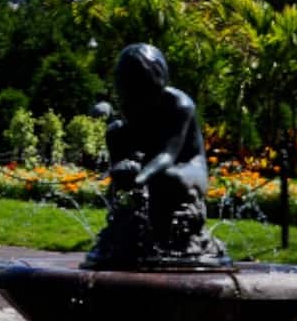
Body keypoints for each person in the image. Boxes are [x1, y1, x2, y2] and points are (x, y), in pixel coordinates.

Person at [83, 43, 229, 270]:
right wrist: (121, 171)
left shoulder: (179, 104)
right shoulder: (130, 107)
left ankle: (175, 241)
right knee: (116, 132)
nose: (130, 97)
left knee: (168, 178)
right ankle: (122, 230)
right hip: (150, 167)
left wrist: (139, 177)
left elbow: (166, 156)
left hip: (186, 168)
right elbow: (127, 151)